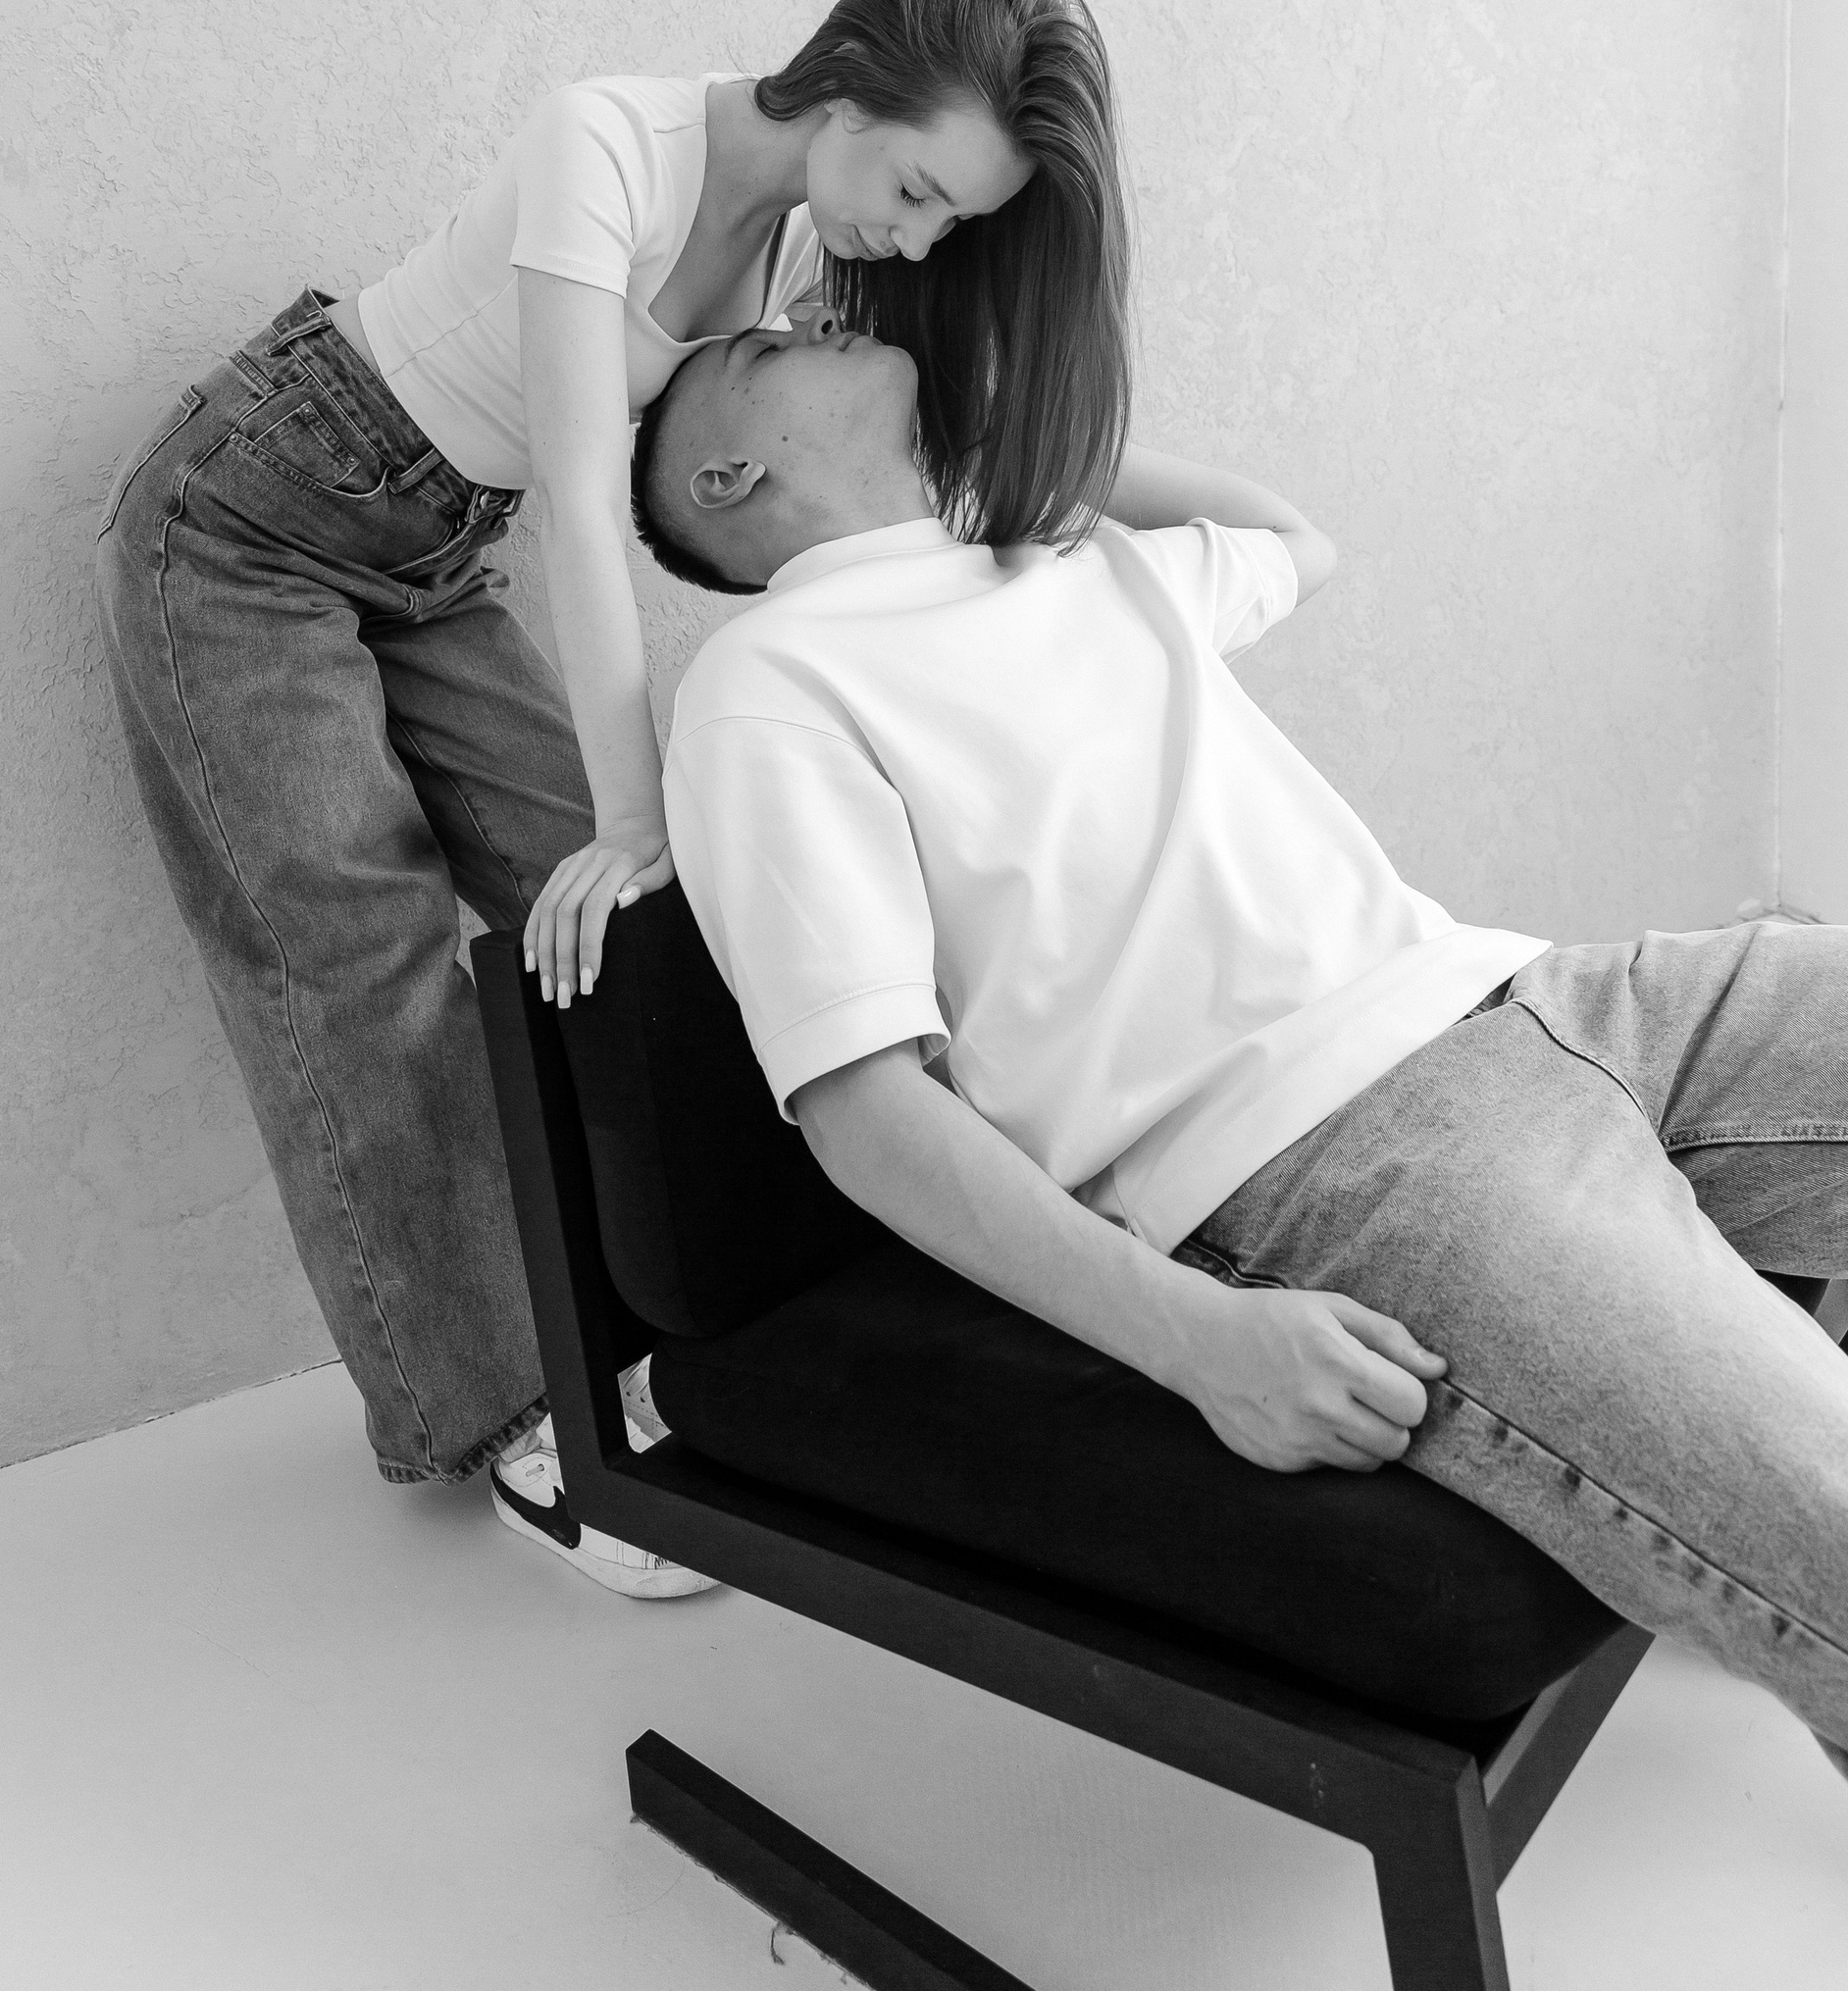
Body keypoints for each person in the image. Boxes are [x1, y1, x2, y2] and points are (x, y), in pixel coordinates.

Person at [632, 311, 1848, 1770]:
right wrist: (1197, 1344)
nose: (819, 317)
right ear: (727, 477)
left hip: (1553, 995)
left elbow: (1293, 543)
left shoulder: (1064, 556)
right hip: (1351, 1161)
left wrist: (1017, 432)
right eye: (766, 349)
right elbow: (864, 1115)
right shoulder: (768, 683)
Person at [93, 0, 1138, 1600]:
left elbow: (891, 458)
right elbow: (589, 502)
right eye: (920, 191)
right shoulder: (609, 143)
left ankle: (830, 1290)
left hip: (432, 553)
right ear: (848, 80)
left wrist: (1120, 508)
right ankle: (525, 1420)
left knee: (652, 924)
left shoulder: (808, 239)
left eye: (955, 220)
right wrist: (636, 812)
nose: (919, 240)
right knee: (358, 956)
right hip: (244, 527)